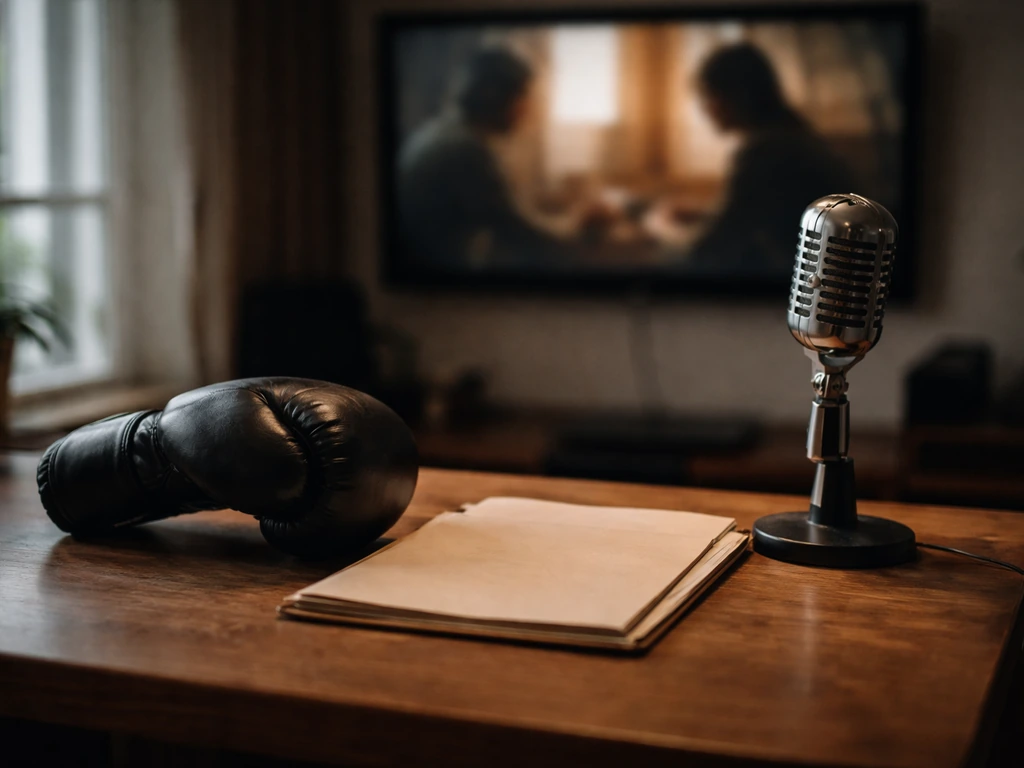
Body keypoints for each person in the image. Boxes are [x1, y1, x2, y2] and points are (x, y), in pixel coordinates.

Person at [680, 43, 854, 275]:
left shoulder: (766, 152)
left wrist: (657, 225)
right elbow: (754, 213)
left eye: (708, 95)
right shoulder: (791, 134)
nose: (706, 108)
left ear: (734, 95)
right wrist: (704, 214)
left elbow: (707, 250)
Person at [397, 47, 572, 271]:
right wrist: (578, 230)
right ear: (494, 95)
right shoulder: (465, 151)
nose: (526, 110)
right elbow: (518, 232)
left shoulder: (442, 133)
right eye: (523, 97)